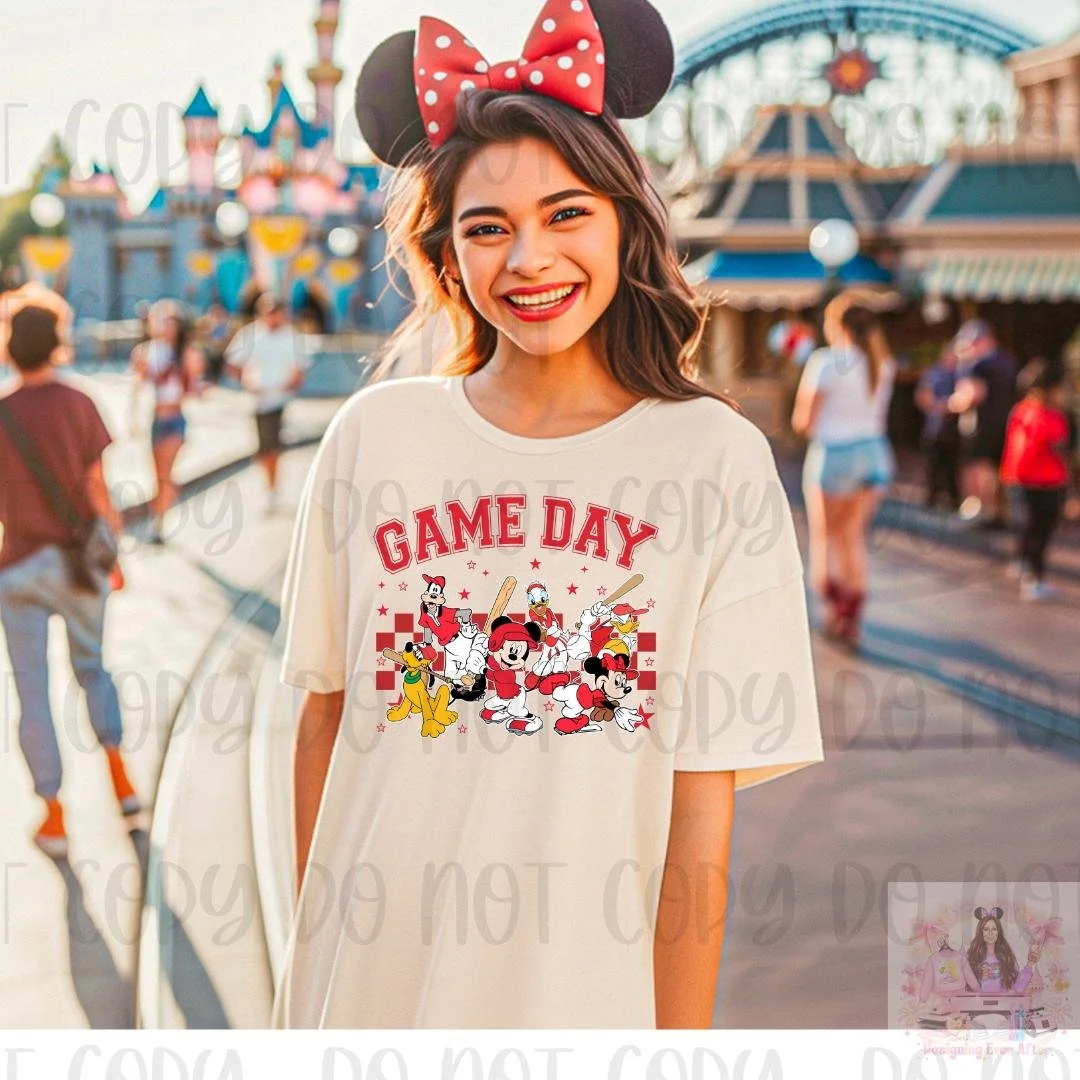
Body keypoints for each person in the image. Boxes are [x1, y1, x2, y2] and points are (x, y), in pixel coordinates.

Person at [270, 0, 825, 1030]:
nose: (528, 258)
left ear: (626, 220)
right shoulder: (371, 440)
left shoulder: (715, 465)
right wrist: (310, 988)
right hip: (366, 1004)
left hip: (577, 1010)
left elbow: (698, 820)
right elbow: (324, 722)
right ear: (448, 257)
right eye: (488, 228)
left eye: (567, 213)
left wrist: (677, 1050)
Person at [0, 288, 142, 859]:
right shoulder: (78, 401)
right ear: (57, 341)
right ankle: (122, 784)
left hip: (18, 569)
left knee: (32, 691)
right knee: (93, 669)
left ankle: (54, 816)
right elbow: (95, 488)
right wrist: (116, 558)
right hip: (77, 563)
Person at [791, 291, 896, 649]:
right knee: (853, 538)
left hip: (834, 454)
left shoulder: (825, 363)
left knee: (825, 538)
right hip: (874, 455)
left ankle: (833, 609)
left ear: (836, 326)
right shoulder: (883, 364)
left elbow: (804, 421)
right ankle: (852, 615)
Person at [129, 299, 207, 543]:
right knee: (158, 477)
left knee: (165, 473)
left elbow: (194, 387)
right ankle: (160, 517)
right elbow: (138, 387)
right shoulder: (145, 352)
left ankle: (157, 524)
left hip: (175, 417)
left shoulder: (187, 353)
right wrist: (132, 419)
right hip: (155, 417)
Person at [223, 293, 310, 511]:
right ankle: (269, 483)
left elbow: (300, 368)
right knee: (262, 447)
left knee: (272, 445)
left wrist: (290, 384)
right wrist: (246, 380)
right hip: (256, 399)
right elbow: (232, 363)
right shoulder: (251, 335)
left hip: (278, 399)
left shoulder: (290, 336)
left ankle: (272, 488)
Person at [999, 367, 1073, 601]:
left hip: (1021, 479)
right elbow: (1058, 448)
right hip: (1044, 481)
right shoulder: (1048, 416)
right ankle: (1034, 578)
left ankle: (1023, 565)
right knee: (1040, 530)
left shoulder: (1021, 411)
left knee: (1029, 527)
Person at [947, 318, 1018, 528]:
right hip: (1005, 423)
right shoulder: (1008, 361)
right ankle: (999, 512)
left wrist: (949, 403)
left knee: (978, 469)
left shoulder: (978, 365)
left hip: (980, 426)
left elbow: (971, 395)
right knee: (998, 470)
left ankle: (980, 511)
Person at [914, 346, 961, 511]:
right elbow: (922, 396)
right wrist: (939, 407)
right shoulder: (933, 373)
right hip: (935, 427)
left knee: (954, 465)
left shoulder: (961, 373)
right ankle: (933, 496)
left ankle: (954, 498)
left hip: (956, 429)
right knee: (934, 463)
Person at [966, 908, 1039, 995]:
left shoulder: (1006, 957)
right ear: (981, 932)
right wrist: (978, 979)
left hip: (1003, 1006)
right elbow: (966, 990)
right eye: (986, 929)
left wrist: (1030, 964)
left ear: (998, 932)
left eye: (994, 929)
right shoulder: (973, 958)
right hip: (979, 1007)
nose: (990, 933)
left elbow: (1018, 989)